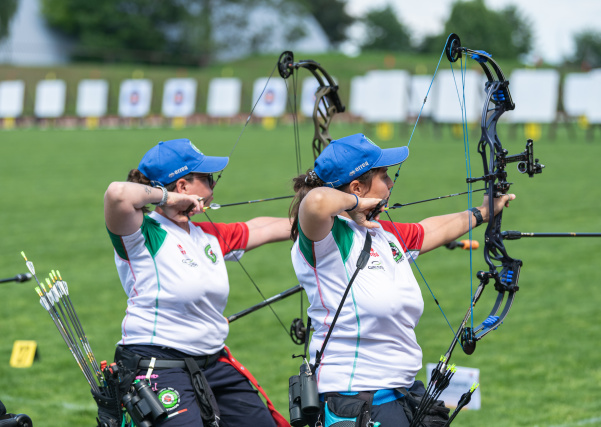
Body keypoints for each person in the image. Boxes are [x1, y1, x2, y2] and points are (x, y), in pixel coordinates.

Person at [289, 133, 515, 427]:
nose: (391, 182)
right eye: (383, 175)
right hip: (354, 405)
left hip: (401, 397)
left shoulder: (382, 233)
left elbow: (430, 230)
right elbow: (317, 201)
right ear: (357, 187)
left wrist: (483, 212)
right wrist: (357, 202)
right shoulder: (328, 240)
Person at [103, 138, 291, 427]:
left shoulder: (208, 235)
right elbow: (117, 193)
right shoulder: (142, 233)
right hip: (158, 365)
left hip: (212, 363)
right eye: (207, 178)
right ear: (182, 187)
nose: (213, 186)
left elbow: (262, 227)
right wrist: (166, 199)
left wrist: (326, 215)